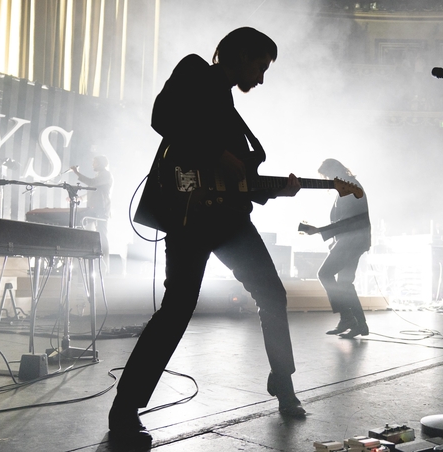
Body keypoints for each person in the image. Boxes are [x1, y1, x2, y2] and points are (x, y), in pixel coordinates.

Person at [108, 27, 304, 445]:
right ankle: (124, 409)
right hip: (191, 215)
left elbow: (234, 181)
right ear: (242, 53)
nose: (262, 78)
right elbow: (162, 118)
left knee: (273, 295)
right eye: (260, 66)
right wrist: (217, 154)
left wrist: (277, 190)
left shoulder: (230, 106)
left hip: (228, 219)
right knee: (178, 308)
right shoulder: (195, 70)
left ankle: (283, 384)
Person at [300, 159, 371, 338]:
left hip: (352, 242)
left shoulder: (350, 188)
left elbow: (350, 221)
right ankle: (360, 324)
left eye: (328, 176)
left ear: (335, 171)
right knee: (345, 283)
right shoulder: (348, 187)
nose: (328, 181)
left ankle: (347, 318)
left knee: (324, 274)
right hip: (353, 241)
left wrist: (320, 230)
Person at [70, 154, 113, 259]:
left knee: (102, 236)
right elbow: (92, 192)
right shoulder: (99, 175)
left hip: (102, 210)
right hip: (94, 210)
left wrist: (76, 172)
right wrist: (80, 198)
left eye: (95, 162)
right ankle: (92, 259)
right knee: (90, 233)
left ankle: (104, 263)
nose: (93, 165)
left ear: (101, 164)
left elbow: (91, 183)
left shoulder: (106, 175)